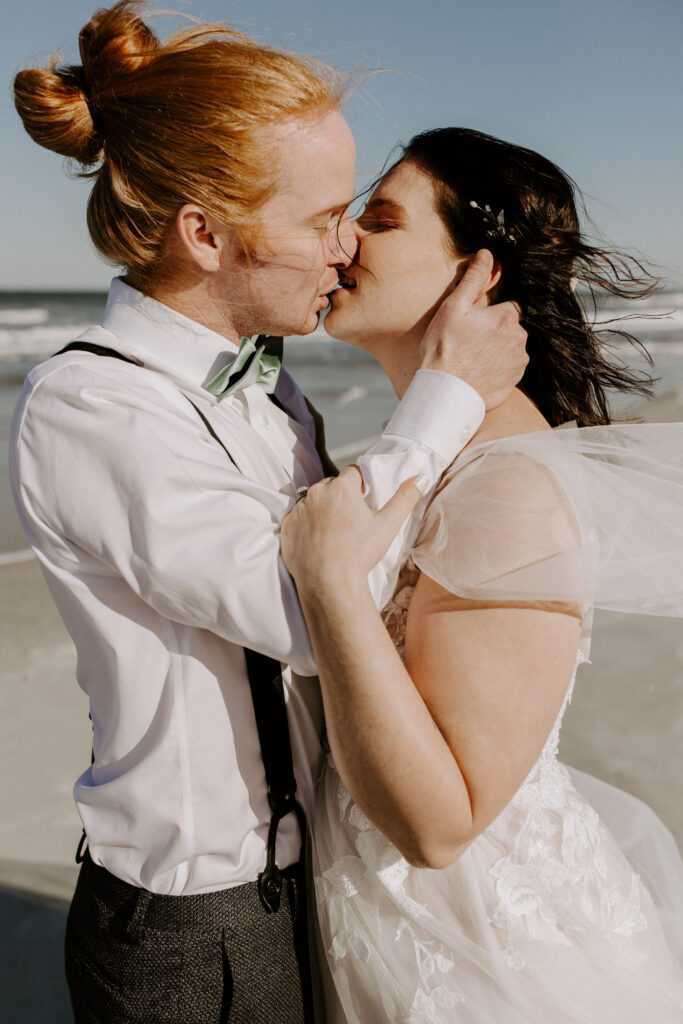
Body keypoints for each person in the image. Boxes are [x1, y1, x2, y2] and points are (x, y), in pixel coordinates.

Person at [10, 6, 528, 1022]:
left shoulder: (266, 388)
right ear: (204, 233)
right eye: (322, 217)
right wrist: (439, 399)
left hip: (303, 877)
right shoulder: (92, 407)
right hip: (187, 922)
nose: (347, 248)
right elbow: (303, 616)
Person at [280, 128, 683, 1022]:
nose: (342, 238)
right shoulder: (444, 458)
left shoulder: (504, 486)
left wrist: (332, 585)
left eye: (379, 220)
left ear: (479, 275)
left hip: (477, 959)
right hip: (392, 923)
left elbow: (440, 821)